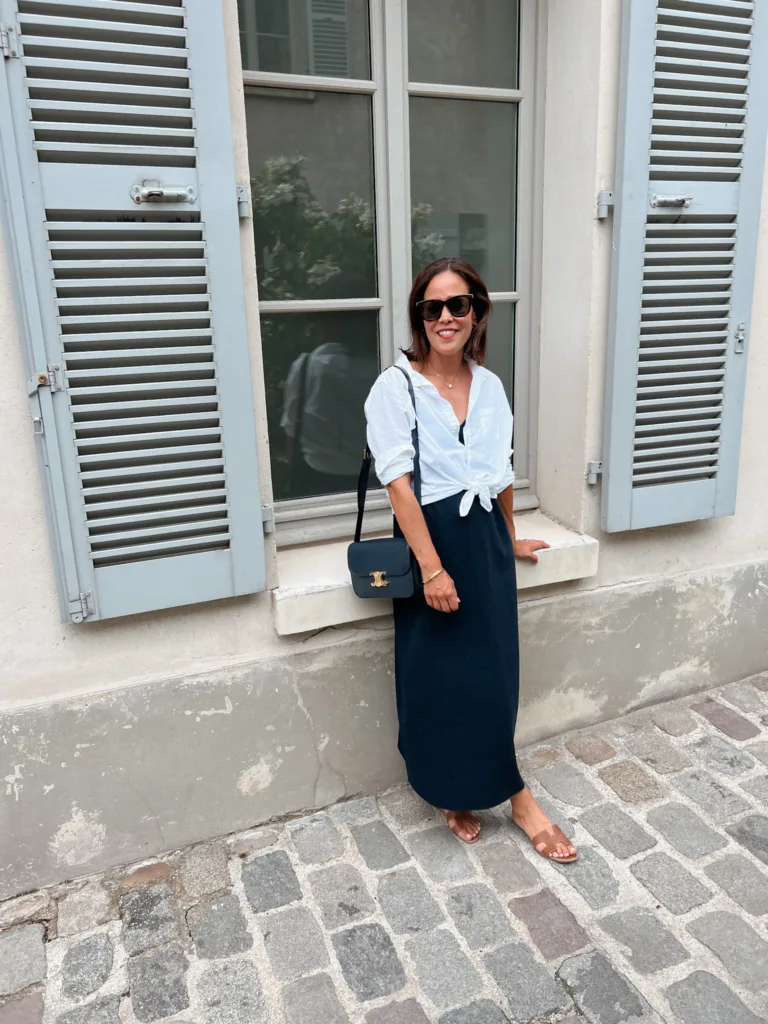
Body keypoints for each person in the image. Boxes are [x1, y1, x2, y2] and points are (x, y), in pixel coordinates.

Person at [364, 257, 578, 861]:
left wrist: (508, 537)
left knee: (493, 677)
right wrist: (432, 568)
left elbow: (499, 474)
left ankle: (508, 791)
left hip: (484, 543)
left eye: (457, 305)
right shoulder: (395, 387)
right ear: (419, 317)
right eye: (432, 307)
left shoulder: (490, 386)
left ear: (477, 312)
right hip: (432, 543)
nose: (445, 318)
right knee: (438, 680)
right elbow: (399, 487)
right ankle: (456, 791)